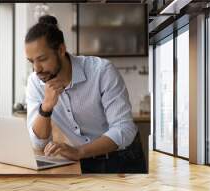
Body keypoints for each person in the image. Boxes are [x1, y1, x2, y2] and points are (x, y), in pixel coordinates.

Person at [25, 15, 147, 174]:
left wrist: (79, 152)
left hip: (122, 159)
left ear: (61, 50)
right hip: (83, 162)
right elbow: (38, 143)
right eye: (31, 61)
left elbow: (124, 128)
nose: (36, 69)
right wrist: (46, 107)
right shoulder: (36, 82)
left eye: (42, 59)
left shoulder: (101, 71)